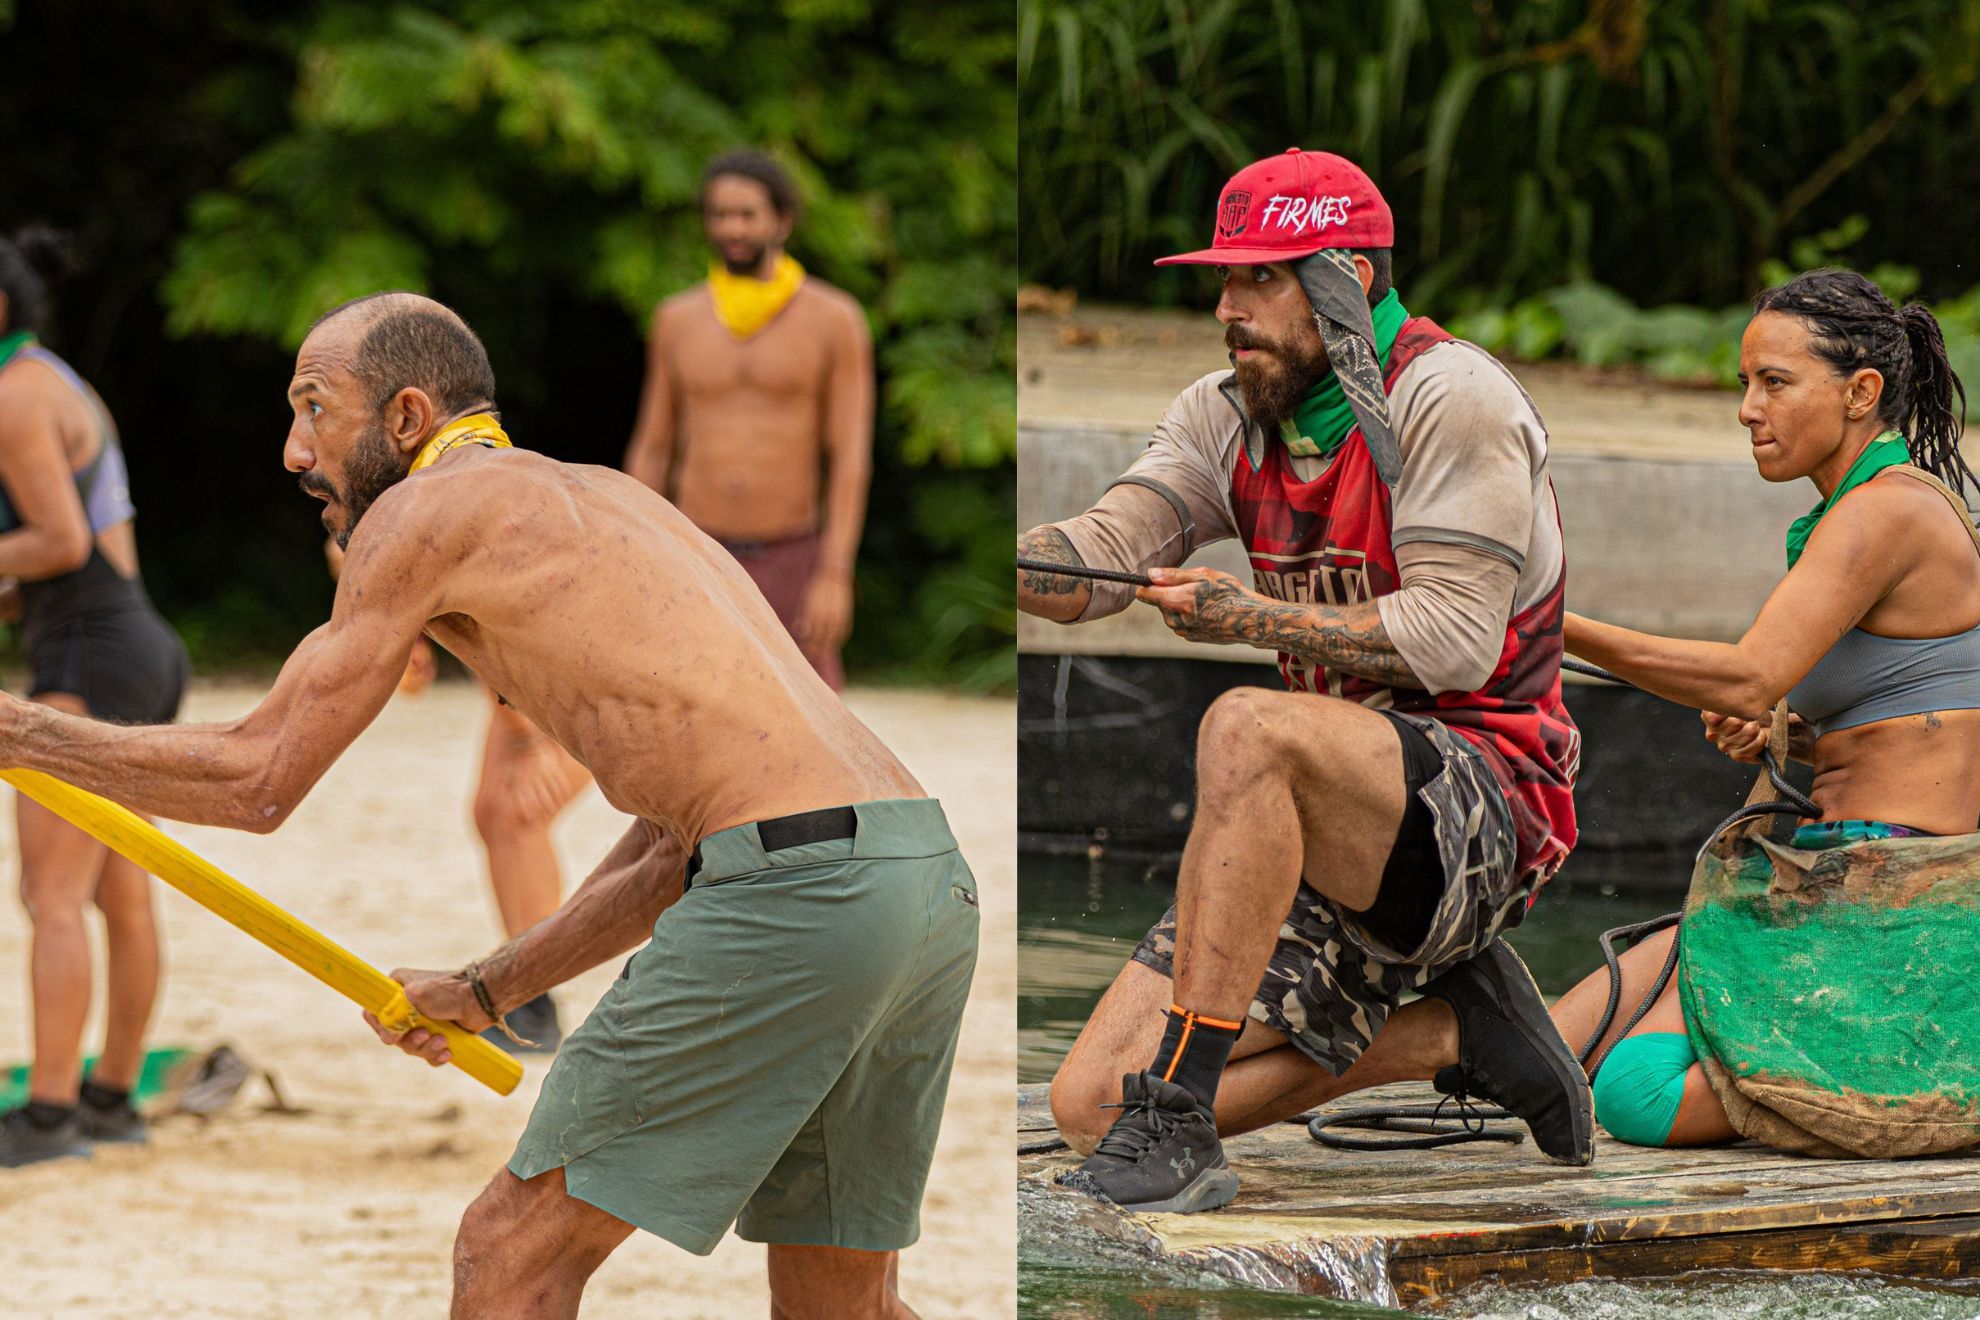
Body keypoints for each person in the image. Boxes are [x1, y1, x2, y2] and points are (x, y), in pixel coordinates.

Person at [0, 292, 977, 1316]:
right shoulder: (616, 501)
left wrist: (25, 736)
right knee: (840, 1306)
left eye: (314, 408)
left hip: (800, 894)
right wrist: (488, 988)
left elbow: (259, 778)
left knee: (509, 1254)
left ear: (407, 417)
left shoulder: (422, 511)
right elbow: (675, 850)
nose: (295, 451)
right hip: (922, 877)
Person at [1019, 148, 1591, 1214]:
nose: (1227, 309)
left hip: (1486, 811)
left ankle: (1180, 1120)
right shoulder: (1223, 410)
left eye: (1261, 280)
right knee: (1086, 1104)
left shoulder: (1453, 397)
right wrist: (1028, 564)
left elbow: (1456, 645)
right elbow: (1108, 547)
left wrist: (1247, 617)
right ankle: (1450, 1032)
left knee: (1248, 725)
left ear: (1350, 282)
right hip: (1319, 820)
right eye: (1223, 280)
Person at [1553, 268, 1980, 1149]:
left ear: (1861, 393)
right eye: (1746, 383)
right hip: (1825, 867)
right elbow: (1894, 703)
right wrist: (1787, 731)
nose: (1748, 408)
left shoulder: (1887, 512)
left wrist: (1545, 623)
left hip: (1894, 889)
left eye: (1776, 382)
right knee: (1553, 1052)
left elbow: (1746, 673)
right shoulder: (1851, 512)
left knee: (1631, 1092)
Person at [0, 227, 189, 1167]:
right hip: (137, 647)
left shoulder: (12, 395)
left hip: (89, 656)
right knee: (120, 894)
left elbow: (60, 541)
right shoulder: (57, 380)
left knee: (53, 895)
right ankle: (112, 1097)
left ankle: (47, 1114)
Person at [324, 544, 590, 1055]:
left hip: (564, 639)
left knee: (519, 813)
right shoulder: (379, 524)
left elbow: (482, 619)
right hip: (524, 645)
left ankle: (532, 995)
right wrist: (409, 630)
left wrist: (531, 740)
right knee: (496, 814)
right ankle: (527, 996)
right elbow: (357, 558)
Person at [623, 150, 873, 690]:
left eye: (746, 214)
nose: (732, 228)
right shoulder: (676, 320)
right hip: (695, 550)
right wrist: (641, 548)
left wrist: (834, 573)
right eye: (719, 215)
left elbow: (849, 455)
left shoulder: (834, 320)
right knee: (682, 703)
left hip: (791, 553)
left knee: (808, 716)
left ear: (782, 221)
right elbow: (654, 447)